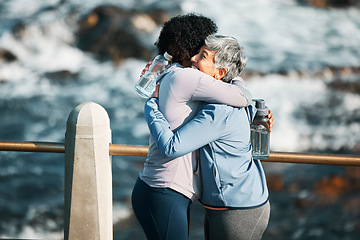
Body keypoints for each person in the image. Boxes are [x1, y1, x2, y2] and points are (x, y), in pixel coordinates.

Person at [131, 14, 252, 240]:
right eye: (202, 48)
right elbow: (241, 97)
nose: (198, 57)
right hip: (165, 189)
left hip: (161, 187)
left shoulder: (174, 72)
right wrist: (235, 75)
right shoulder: (189, 79)